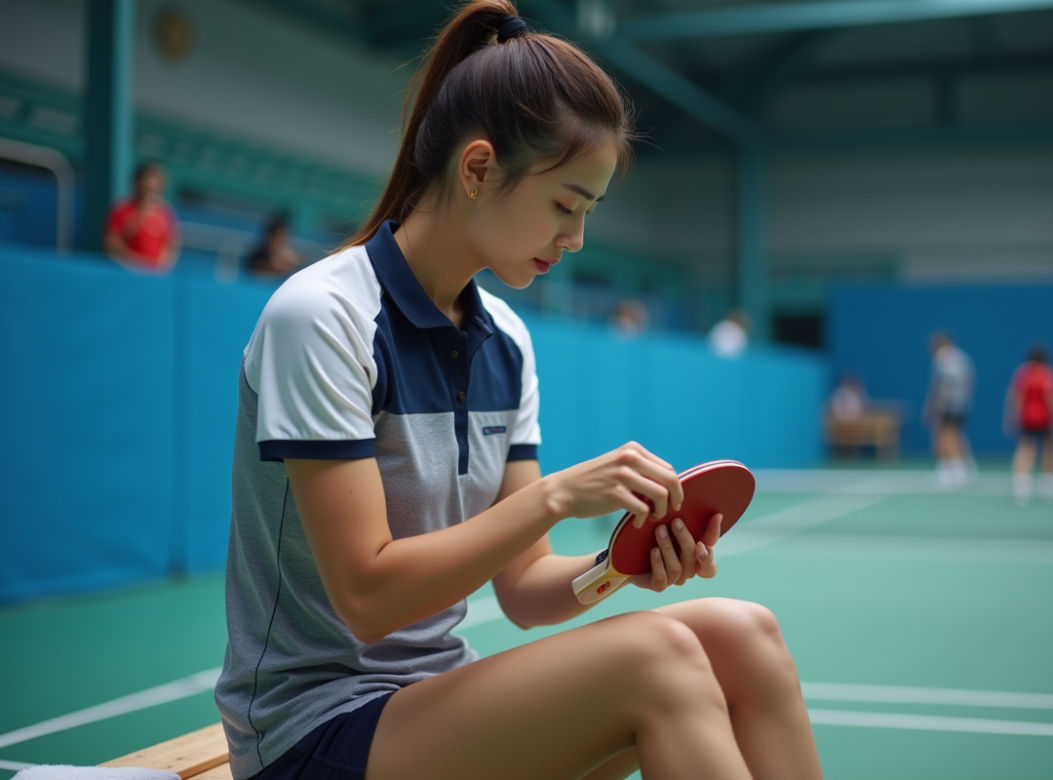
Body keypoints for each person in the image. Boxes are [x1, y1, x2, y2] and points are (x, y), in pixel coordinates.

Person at [213, 4, 823, 780]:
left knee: (745, 634)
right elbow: (367, 596)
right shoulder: (321, 318)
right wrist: (556, 498)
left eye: (588, 212)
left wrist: (620, 565)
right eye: (565, 204)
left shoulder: (506, 340)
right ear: (476, 170)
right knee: (657, 657)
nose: (575, 239)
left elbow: (528, 590)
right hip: (310, 732)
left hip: (435, 698)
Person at [1005, 345, 1053, 505]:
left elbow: (1015, 397)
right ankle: (1047, 484)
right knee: (1050, 449)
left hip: (1027, 418)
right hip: (1044, 419)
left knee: (1026, 449)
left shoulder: (1022, 373)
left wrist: (1012, 417)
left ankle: (1021, 486)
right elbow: (1051, 397)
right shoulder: (1047, 373)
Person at [103, 161, 181, 272]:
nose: (150, 187)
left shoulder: (165, 213)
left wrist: (159, 268)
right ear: (136, 182)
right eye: (146, 182)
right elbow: (111, 243)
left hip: (155, 276)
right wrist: (135, 262)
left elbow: (171, 245)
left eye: (155, 184)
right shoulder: (121, 209)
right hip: (125, 271)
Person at [923, 331, 976, 488]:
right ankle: (962, 466)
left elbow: (938, 384)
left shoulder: (942, 357)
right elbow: (970, 380)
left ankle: (952, 468)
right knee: (955, 433)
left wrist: (932, 405)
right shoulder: (963, 357)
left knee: (945, 434)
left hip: (948, 404)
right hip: (961, 403)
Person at [248, 212, 303, 278]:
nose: (282, 239)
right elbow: (257, 271)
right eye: (279, 235)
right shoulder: (259, 254)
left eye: (284, 236)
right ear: (271, 235)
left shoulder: (290, 256)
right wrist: (278, 266)